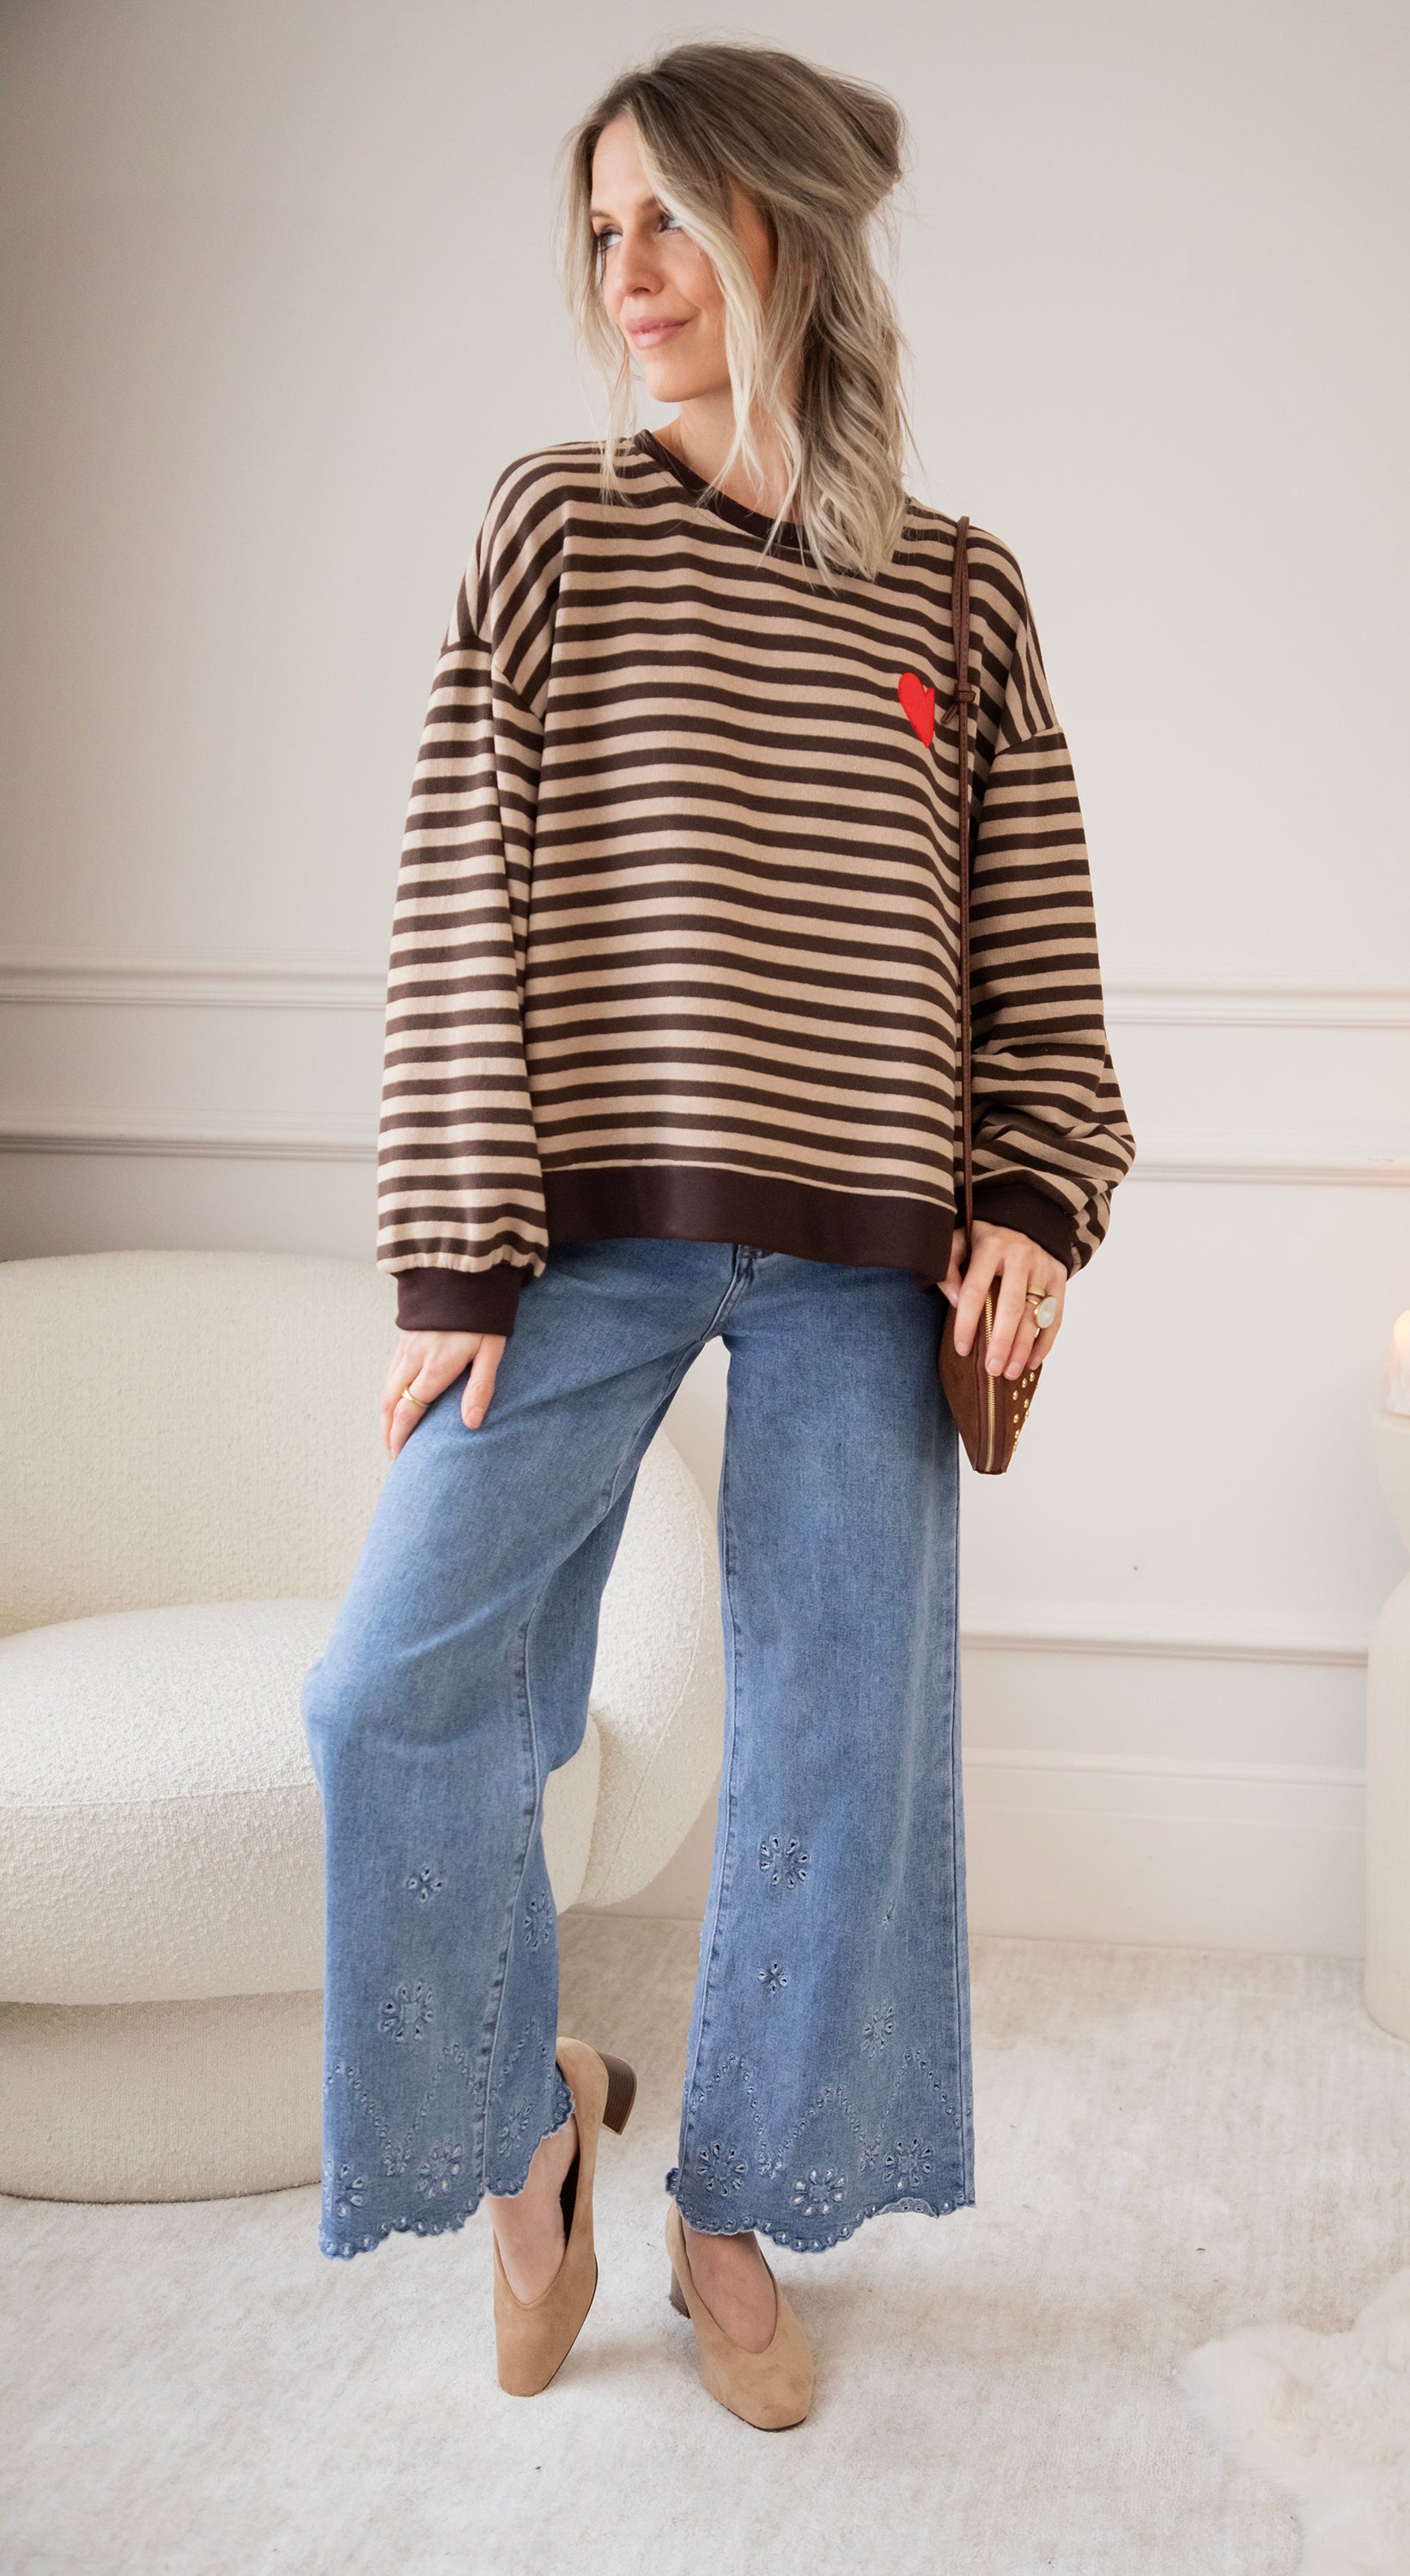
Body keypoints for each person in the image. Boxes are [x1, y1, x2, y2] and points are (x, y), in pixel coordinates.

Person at [301, 37, 1134, 2431]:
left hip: (871, 1253)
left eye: (670, 214)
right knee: (390, 1690)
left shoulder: (959, 592)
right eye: (601, 229)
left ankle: (734, 2208)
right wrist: (453, 1252)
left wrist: (1032, 1199)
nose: (627, 271)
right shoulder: (558, 530)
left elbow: (1036, 947)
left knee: (839, 1739)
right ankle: (526, 2145)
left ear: (790, 224)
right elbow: (457, 892)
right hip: (584, 1234)